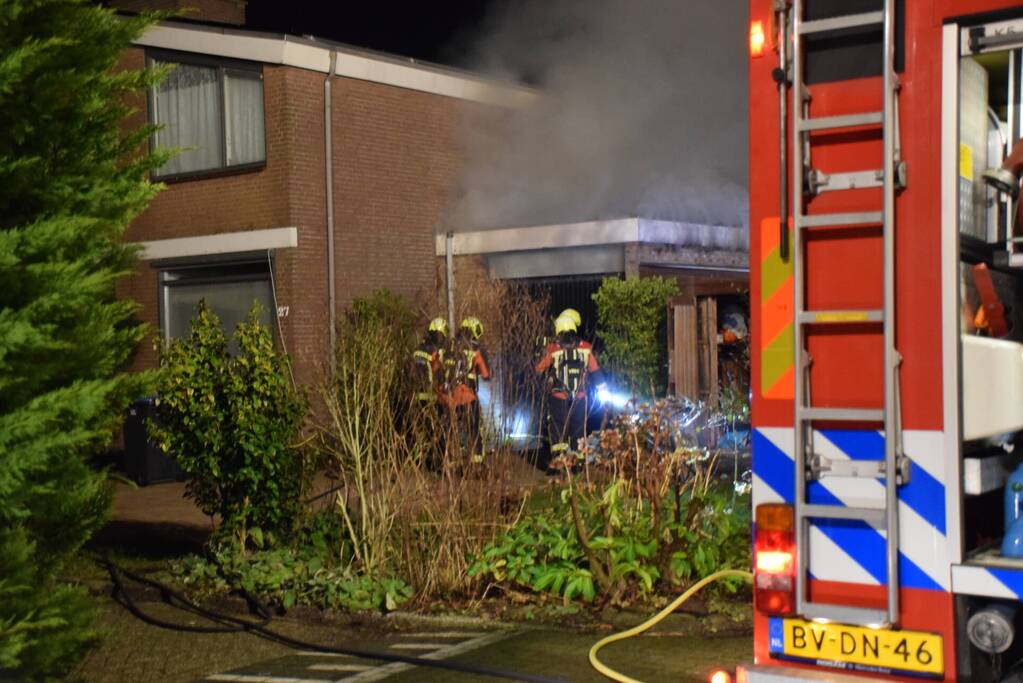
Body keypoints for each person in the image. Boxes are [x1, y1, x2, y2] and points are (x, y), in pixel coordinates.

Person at [535, 313, 605, 461]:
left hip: (558, 396)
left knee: (557, 428)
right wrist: (603, 390)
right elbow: (595, 370)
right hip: (580, 397)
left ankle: (559, 463)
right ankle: (578, 463)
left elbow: (539, 368)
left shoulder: (553, 348)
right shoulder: (585, 347)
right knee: (578, 430)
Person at [438, 316, 491, 463]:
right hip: (466, 396)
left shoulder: (449, 346)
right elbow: (486, 374)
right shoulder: (475, 349)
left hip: (447, 398)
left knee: (449, 431)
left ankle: (447, 462)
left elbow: (437, 367)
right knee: (474, 429)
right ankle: (476, 463)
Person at [412, 317, 447, 405]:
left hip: (414, 397)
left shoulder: (417, 349)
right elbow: (439, 372)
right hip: (431, 397)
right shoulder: (436, 352)